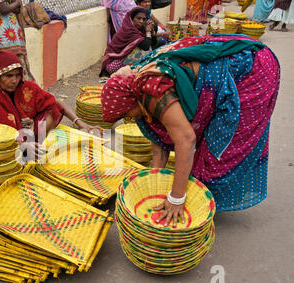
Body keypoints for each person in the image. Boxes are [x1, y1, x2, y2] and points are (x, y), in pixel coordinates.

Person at [101, 34, 280, 227]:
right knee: (197, 154)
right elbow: (159, 140)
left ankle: (201, 209)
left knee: (218, 154)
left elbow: (186, 139)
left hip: (252, 68)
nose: (129, 118)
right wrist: (153, 182)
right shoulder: (138, 84)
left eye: (127, 113)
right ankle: (194, 200)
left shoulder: (152, 89)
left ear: (131, 100)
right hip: (224, 67)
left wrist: (176, 197)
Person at [0, 50, 103, 159]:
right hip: (9, 143)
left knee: (52, 108)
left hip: (31, 134)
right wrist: (19, 144)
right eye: (9, 76)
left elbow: (57, 103)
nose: (14, 80)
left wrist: (81, 123)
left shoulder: (27, 88)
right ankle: (25, 150)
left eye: (17, 75)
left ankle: (36, 146)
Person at [0, 0, 35, 81]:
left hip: (12, 31)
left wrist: (15, 4)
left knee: (18, 61)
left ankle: (22, 86)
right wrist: (17, 3)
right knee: (7, 61)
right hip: (0, 27)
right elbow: (3, 9)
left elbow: (16, 9)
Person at [100, 7, 157, 77]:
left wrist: (152, 31)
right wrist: (148, 31)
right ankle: (134, 71)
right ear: (131, 19)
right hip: (112, 65)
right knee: (140, 50)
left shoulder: (140, 30)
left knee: (149, 44)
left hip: (122, 62)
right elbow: (145, 47)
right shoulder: (129, 30)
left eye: (144, 19)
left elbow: (154, 44)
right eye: (138, 18)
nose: (141, 21)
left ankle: (137, 69)